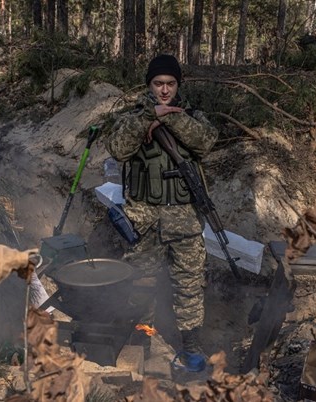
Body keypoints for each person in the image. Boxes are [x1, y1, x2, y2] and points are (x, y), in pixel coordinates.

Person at [106, 54, 218, 372]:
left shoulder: (192, 115)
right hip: (144, 217)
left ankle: (192, 349)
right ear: (149, 85)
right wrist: (148, 117)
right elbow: (118, 147)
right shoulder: (133, 117)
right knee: (141, 280)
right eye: (158, 84)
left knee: (189, 285)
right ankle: (141, 339)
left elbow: (207, 141)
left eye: (170, 84)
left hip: (185, 219)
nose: (165, 90)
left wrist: (168, 118)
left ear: (178, 85)